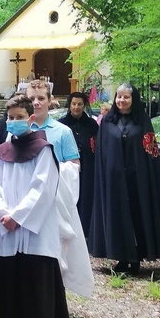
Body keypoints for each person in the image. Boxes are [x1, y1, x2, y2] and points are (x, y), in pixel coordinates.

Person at [0, 94, 70, 318]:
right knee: (10, 279)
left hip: (35, 229)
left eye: (19, 118)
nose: (13, 122)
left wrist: (19, 217)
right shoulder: (2, 150)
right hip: (8, 225)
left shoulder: (43, 149)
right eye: (10, 118)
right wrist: (3, 213)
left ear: (31, 119)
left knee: (36, 285)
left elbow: (43, 188)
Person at [89, 83, 160, 275]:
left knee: (138, 215)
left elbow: (150, 151)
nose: (121, 101)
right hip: (114, 181)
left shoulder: (142, 121)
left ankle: (137, 257)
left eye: (126, 97)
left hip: (137, 179)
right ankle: (122, 258)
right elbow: (102, 153)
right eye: (119, 97)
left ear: (134, 99)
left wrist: (147, 176)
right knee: (118, 217)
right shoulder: (107, 123)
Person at [25, 80, 93, 298]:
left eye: (41, 98)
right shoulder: (17, 128)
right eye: (31, 99)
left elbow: (74, 166)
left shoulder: (62, 132)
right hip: (25, 202)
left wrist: (48, 171)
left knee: (52, 252)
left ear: (50, 100)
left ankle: (52, 298)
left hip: (53, 203)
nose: (35, 103)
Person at [58, 92, 99, 236]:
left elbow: (98, 145)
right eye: (74, 104)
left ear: (84, 105)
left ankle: (86, 231)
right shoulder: (61, 124)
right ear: (69, 105)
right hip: (67, 167)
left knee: (87, 197)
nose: (76, 107)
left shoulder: (92, 124)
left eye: (79, 104)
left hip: (88, 168)